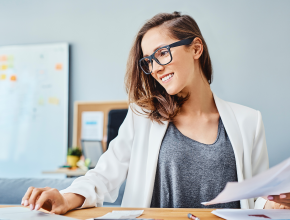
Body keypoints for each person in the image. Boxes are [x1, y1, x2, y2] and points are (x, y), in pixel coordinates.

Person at [21, 12, 290, 214]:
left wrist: (279, 201)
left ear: (196, 48)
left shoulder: (248, 121)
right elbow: (104, 175)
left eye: (162, 53)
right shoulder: (143, 115)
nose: (155, 68)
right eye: (148, 61)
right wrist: (66, 198)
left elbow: (258, 200)